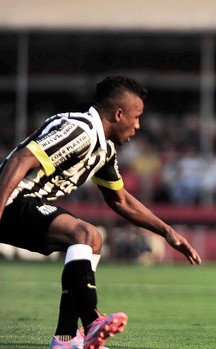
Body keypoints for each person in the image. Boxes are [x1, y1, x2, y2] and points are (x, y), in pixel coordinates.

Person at [0, 75, 202, 349]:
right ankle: (93, 320)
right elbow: (21, 159)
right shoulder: (79, 130)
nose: (138, 125)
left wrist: (168, 232)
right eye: (137, 116)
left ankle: (66, 339)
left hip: (24, 204)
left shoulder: (104, 149)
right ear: (119, 114)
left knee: (91, 241)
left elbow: (120, 201)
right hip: (11, 199)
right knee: (85, 233)